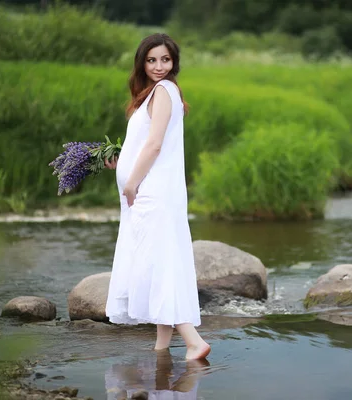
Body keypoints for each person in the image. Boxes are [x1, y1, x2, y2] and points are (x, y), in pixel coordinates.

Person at [103, 33, 210, 360]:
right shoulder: (151, 94)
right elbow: (143, 146)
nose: (159, 66)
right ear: (142, 62)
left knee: (155, 264)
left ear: (174, 61)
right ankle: (162, 348)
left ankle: (193, 341)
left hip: (153, 194)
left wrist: (132, 182)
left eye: (165, 59)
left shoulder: (164, 91)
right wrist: (121, 164)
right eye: (152, 60)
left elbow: (155, 145)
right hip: (152, 192)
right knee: (159, 261)